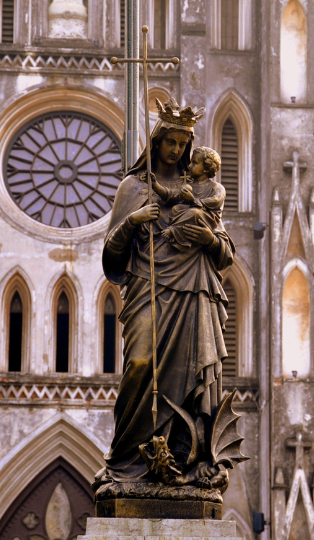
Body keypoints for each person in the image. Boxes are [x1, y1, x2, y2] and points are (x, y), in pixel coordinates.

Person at [98, 99, 235, 487]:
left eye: (183, 143)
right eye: (170, 142)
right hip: (149, 287)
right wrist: (134, 221)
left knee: (194, 376)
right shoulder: (134, 187)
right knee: (140, 363)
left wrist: (208, 237)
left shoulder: (203, 189)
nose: (176, 150)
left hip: (194, 293)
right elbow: (111, 253)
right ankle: (127, 461)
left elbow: (225, 253)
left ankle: (186, 460)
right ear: (156, 141)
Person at [151, 146, 225, 250]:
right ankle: (178, 233)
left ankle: (173, 230)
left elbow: (216, 200)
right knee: (176, 209)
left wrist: (193, 200)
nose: (189, 166)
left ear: (206, 168)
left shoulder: (216, 187)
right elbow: (171, 195)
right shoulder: (189, 186)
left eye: (194, 163)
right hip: (190, 219)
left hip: (206, 219)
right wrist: (155, 185)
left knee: (195, 212)